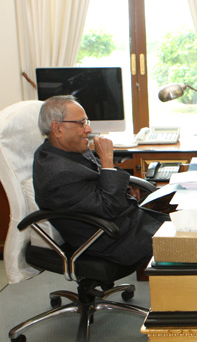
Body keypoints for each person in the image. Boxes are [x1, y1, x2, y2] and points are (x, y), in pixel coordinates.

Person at [33, 95, 170, 267]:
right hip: (111, 239)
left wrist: (124, 186)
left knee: (189, 227)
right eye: (81, 123)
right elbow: (109, 208)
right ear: (57, 128)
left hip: (127, 222)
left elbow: (99, 178)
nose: (88, 129)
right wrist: (107, 160)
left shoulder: (63, 150)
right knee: (194, 247)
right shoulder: (59, 173)